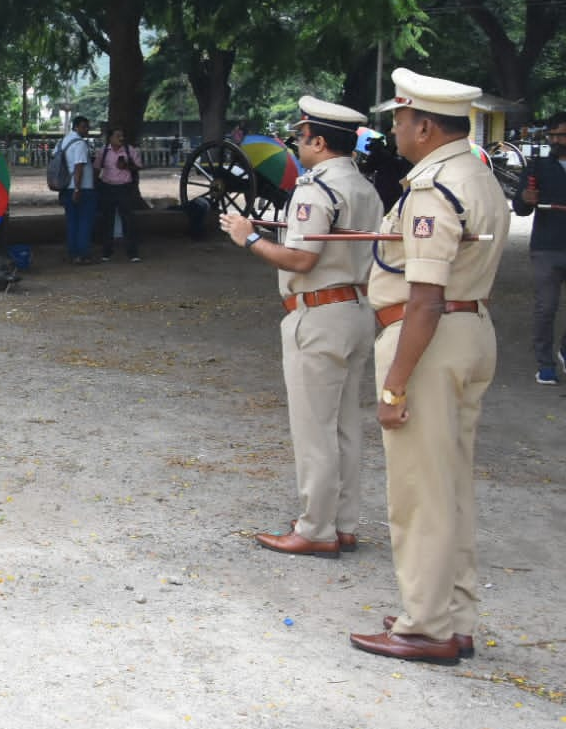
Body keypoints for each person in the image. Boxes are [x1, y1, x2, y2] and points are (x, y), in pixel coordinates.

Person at [348, 68, 509, 664]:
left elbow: (424, 297)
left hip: (430, 340)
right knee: (452, 485)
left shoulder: (433, 190)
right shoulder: (478, 175)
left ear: (422, 124)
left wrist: (393, 387)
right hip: (470, 333)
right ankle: (451, 614)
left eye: (398, 119)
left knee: (419, 491)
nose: (393, 129)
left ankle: (423, 626)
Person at [218, 97, 379, 559]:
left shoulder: (315, 189)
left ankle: (315, 528)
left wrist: (248, 237)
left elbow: (302, 259)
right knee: (346, 425)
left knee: (315, 429)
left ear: (319, 142)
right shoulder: (365, 188)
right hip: (355, 307)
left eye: (301, 138)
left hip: (319, 312)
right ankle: (340, 522)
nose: (298, 146)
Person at [513, 112, 566, 384]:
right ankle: (545, 363)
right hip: (546, 247)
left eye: (562, 135)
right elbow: (520, 209)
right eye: (553, 135)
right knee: (546, 307)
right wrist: (525, 197)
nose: (556, 140)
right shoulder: (537, 167)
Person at [95, 126, 144, 263]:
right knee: (107, 220)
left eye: (122, 135)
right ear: (110, 138)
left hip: (125, 188)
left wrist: (127, 166)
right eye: (118, 136)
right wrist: (96, 186)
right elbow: (97, 169)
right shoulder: (103, 152)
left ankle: (132, 253)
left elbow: (139, 166)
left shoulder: (130, 150)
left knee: (128, 220)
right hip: (107, 188)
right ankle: (106, 252)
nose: (121, 138)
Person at [56, 115, 96, 264]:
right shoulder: (79, 143)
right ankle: (83, 254)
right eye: (84, 127)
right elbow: (79, 167)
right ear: (76, 127)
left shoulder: (63, 142)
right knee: (84, 222)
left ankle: (73, 253)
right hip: (82, 188)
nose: (87, 130)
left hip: (66, 187)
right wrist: (77, 189)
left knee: (72, 222)